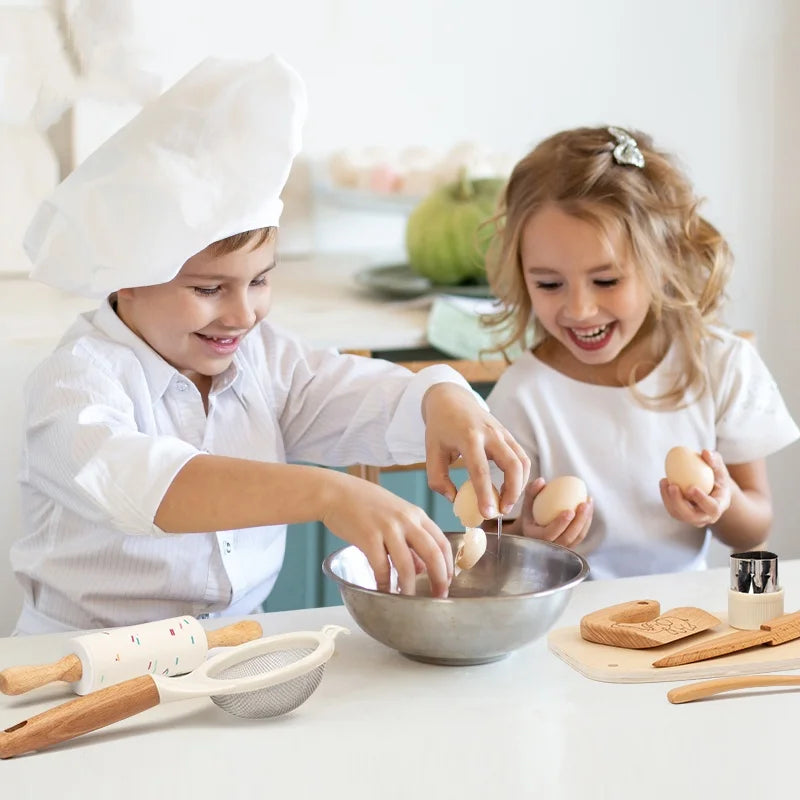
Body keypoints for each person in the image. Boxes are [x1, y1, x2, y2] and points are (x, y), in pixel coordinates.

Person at [10, 55, 529, 634]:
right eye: (209, 288)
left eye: (260, 281)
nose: (242, 313)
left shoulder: (264, 360)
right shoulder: (75, 381)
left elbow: (365, 397)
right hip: (83, 658)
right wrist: (328, 493)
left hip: (235, 647)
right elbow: (146, 485)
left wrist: (441, 399)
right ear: (128, 275)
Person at [484, 125, 798, 579]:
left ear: (662, 262)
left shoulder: (718, 366)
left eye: (607, 281)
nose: (579, 309)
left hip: (685, 622)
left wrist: (720, 504)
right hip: (570, 627)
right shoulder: (524, 395)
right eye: (549, 284)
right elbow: (495, 554)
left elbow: (754, 531)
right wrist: (532, 539)